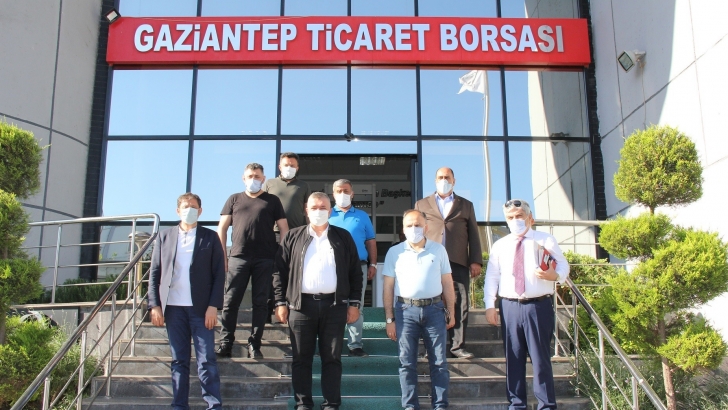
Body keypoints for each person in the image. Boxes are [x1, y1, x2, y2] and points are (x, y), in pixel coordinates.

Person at [272, 192, 363, 410]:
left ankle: (331, 404)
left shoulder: (343, 237)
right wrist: (280, 302)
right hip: (300, 307)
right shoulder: (292, 237)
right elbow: (279, 272)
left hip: (334, 306)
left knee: (332, 358)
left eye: (323, 208)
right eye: (314, 208)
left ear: (330, 211)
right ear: (306, 211)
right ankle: (303, 404)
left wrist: (354, 303)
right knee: (301, 358)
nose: (318, 211)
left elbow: (355, 273)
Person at [484, 199, 569, 410]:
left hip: (538, 307)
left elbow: (563, 265)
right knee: (513, 358)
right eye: (510, 217)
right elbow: (492, 276)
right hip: (509, 307)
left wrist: (555, 275)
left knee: (541, 359)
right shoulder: (500, 245)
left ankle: (546, 405)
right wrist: (489, 305)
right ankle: (516, 404)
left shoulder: (545, 239)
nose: (515, 220)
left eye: (519, 216)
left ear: (530, 218)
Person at [148, 193, 225, 410]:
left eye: (193, 206)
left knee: (206, 360)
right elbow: (154, 272)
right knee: (178, 360)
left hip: (201, 309)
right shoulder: (164, 236)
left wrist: (213, 306)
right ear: (177, 210)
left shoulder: (210, 237)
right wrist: (155, 305)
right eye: (185, 206)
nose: (189, 210)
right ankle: (179, 405)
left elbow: (219, 274)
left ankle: (213, 405)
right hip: (173, 309)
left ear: (200, 211)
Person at [383, 209, 456, 410]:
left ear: (426, 227)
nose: (413, 228)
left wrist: (451, 311)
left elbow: (447, 283)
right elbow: (388, 287)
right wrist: (389, 319)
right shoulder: (394, 253)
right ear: (403, 229)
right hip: (405, 311)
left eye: (417, 225)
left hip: (435, 310)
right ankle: (410, 406)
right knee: (406, 363)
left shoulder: (439, 250)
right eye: (409, 225)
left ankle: (440, 405)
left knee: (439, 362)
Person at [216, 163, 289, 359]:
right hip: (238, 257)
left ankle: (255, 344)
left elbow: (284, 228)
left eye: (257, 176)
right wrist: (223, 255)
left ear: (263, 179)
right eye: (250, 176)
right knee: (230, 301)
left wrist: (281, 255)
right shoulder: (234, 199)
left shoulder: (272, 200)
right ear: (243, 178)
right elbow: (222, 228)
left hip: (265, 258)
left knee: (261, 303)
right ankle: (226, 343)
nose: (253, 179)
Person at [415, 167, 482, 359]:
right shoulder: (422, 204)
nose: (443, 180)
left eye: (447, 177)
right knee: (429, 303)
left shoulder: (466, 205)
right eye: (440, 177)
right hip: (430, 261)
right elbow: (416, 231)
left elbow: (474, 234)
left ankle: (457, 347)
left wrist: (475, 260)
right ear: (435, 180)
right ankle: (430, 347)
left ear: (454, 180)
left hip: (457, 261)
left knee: (460, 303)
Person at [327, 179, 377, 357]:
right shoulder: (327, 214)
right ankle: (331, 345)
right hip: (331, 267)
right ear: (333, 194)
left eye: (346, 191)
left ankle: (355, 345)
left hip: (358, 267)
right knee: (331, 305)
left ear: (352, 193)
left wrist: (373, 263)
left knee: (356, 305)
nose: (343, 194)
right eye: (339, 191)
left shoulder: (362, 216)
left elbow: (371, 241)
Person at [263, 152, 311, 322]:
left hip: (297, 236)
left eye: (292, 165)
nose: (289, 168)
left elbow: (307, 211)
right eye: (286, 165)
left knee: (293, 272)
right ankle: (268, 312)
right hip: (273, 235)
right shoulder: (270, 184)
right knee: (272, 273)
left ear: (297, 168)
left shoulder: (303, 186)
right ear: (279, 167)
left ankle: (292, 310)